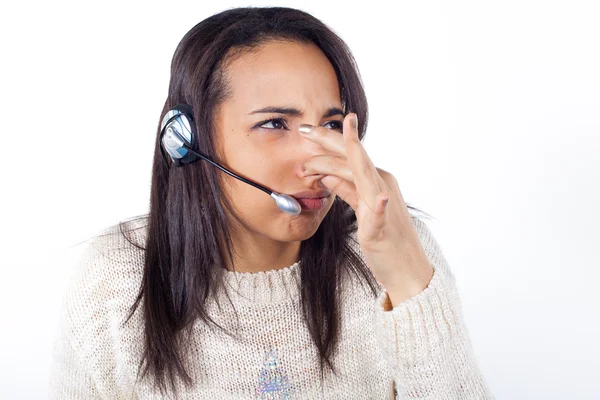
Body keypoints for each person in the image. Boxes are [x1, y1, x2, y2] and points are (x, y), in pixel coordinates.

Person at [48, 6, 494, 399]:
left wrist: (409, 280)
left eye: (332, 124)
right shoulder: (113, 281)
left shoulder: (394, 249)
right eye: (276, 123)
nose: (316, 159)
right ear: (185, 140)